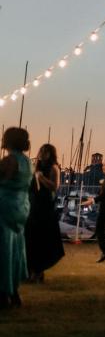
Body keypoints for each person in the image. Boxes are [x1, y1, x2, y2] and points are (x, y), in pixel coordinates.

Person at [0, 127, 33, 309]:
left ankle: (4, 292)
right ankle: (14, 291)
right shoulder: (28, 161)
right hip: (21, 206)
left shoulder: (9, 160)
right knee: (15, 249)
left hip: (4, 207)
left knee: (4, 250)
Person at [26, 144, 65, 283]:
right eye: (41, 150)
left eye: (46, 151)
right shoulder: (35, 167)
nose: (42, 153)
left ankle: (38, 272)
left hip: (45, 208)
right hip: (33, 206)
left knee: (42, 240)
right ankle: (31, 271)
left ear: (51, 154)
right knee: (31, 239)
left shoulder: (53, 168)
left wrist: (41, 178)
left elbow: (55, 186)